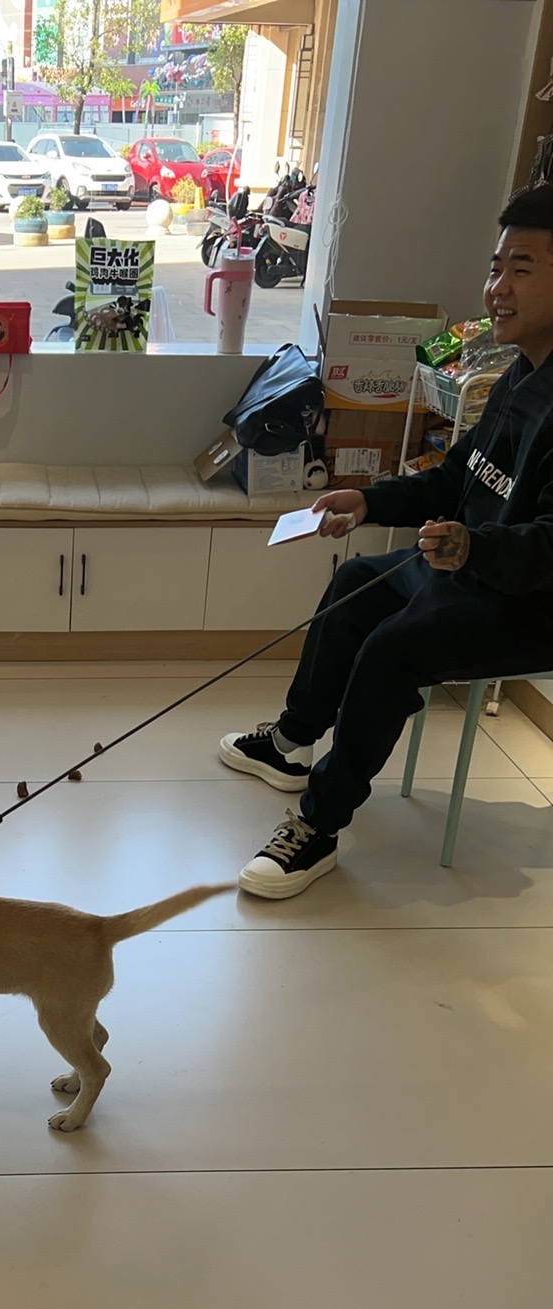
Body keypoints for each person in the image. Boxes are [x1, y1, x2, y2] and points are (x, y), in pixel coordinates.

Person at [219, 182, 553, 898]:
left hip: (529, 601)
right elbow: (455, 480)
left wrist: (475, 549)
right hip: (467, 569)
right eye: (495, 267)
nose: (496, 288)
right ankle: (290, 741)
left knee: (394, 648)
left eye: (520, 269)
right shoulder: (518, 379)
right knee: (353, 584)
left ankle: (318, 826)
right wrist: (368, 500)